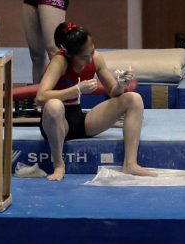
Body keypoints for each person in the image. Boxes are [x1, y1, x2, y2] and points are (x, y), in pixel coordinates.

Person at [35, 22, 157, 181]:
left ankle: (130, 163)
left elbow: (114, 93)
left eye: (91, 52)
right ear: (69, 54)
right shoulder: (59, 62)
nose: (90, 58)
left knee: (133, 99)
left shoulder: (96, 59)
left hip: (79, 120)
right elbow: (40, 97)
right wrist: (76, 90)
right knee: (54, 106)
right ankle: (59, 165)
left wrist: (120, 84)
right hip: (56, 123)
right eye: (84, 57)